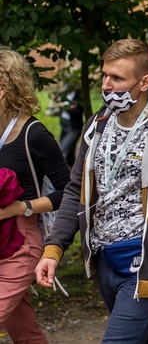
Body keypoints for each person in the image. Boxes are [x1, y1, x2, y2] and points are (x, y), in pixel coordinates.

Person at [35, 39, 148, 343]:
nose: (106, 85)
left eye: (117, 78)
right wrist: (54, 248)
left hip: (146, 265)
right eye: (104, 76)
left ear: (144, 82)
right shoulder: (98, 125)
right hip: (106, 261)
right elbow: (77, 189)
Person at [0, 47, 71, 343]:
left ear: (4, 87)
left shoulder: (34, 134)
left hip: (20, 244)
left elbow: (69, 191)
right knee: (25, 331)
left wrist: (21, 208)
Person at [46, 86, 84, 166]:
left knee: (62, 150)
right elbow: (51, 94)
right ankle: (71, 170)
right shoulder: (64, 94)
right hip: (64, 125)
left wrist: (65, 106)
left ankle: (55, 172)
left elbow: (77, 112)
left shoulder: (78, 97)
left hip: (74, 128)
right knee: (70, 151)